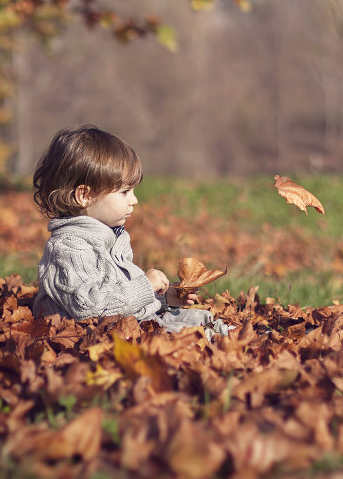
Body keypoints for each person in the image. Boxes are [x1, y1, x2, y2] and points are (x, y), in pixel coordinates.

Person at [32, 125, 230, 340]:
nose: (134, 200)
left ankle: (232, 338)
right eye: (125, 192)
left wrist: (165, 298)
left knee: (203, 319)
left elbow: (122, 298)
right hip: (93, 333)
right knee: (190, 336)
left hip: (127, 322)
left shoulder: (113, 237)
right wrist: (145, 285)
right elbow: (89, 308)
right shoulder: (69, 247)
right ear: (84, 196)